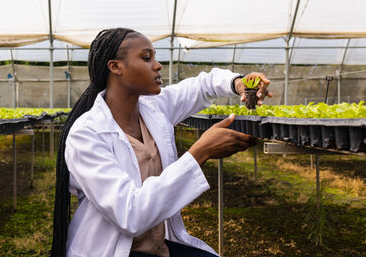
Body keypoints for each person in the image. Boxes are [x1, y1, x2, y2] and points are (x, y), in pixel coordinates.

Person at [51, 28, 272, 257]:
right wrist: (200, 153)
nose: (157, 65)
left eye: (155, 57)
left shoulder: (153, 107)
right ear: (115, 67)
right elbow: (131, 215)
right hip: (113, 250)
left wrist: (237, 82)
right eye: (146, 58)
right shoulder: (86, 134)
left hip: (157, 247)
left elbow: (200, 87)